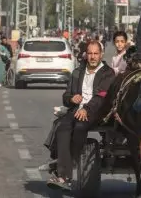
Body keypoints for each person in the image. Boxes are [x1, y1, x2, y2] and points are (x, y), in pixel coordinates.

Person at [47, 41, 115, 191]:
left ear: (101, 55)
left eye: (95, 54)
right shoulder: (77, 72)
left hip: (96, 111)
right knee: (63, 126)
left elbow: (102, 97)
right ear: (86, 54)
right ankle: (64, 177)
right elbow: (66, 95)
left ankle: (68, 166)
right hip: (76, 109)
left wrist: (87, 108)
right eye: (90, 53)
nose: (92, 57)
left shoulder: (108, 73)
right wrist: (71, 99)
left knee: (79, 126)